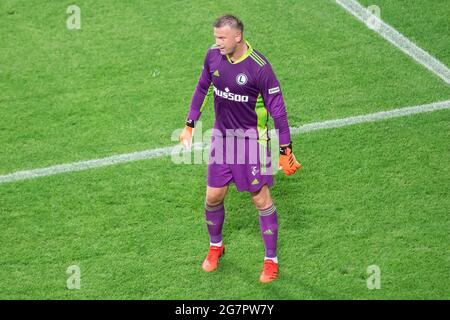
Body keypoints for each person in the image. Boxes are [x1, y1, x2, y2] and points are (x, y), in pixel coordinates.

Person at [179, 14, 302, 283]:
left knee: (261, 200)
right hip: (222, 140)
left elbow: (278, 112)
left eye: (222, 38)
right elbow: (202, 88)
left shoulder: (260, 68)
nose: (217, 42)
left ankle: (271, 261)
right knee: (213, 197)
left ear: (238, 37)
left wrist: (285, 149)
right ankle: (216, 246)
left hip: (252, 144)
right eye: (215, 37)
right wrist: (189, 124)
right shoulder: (213, 57)